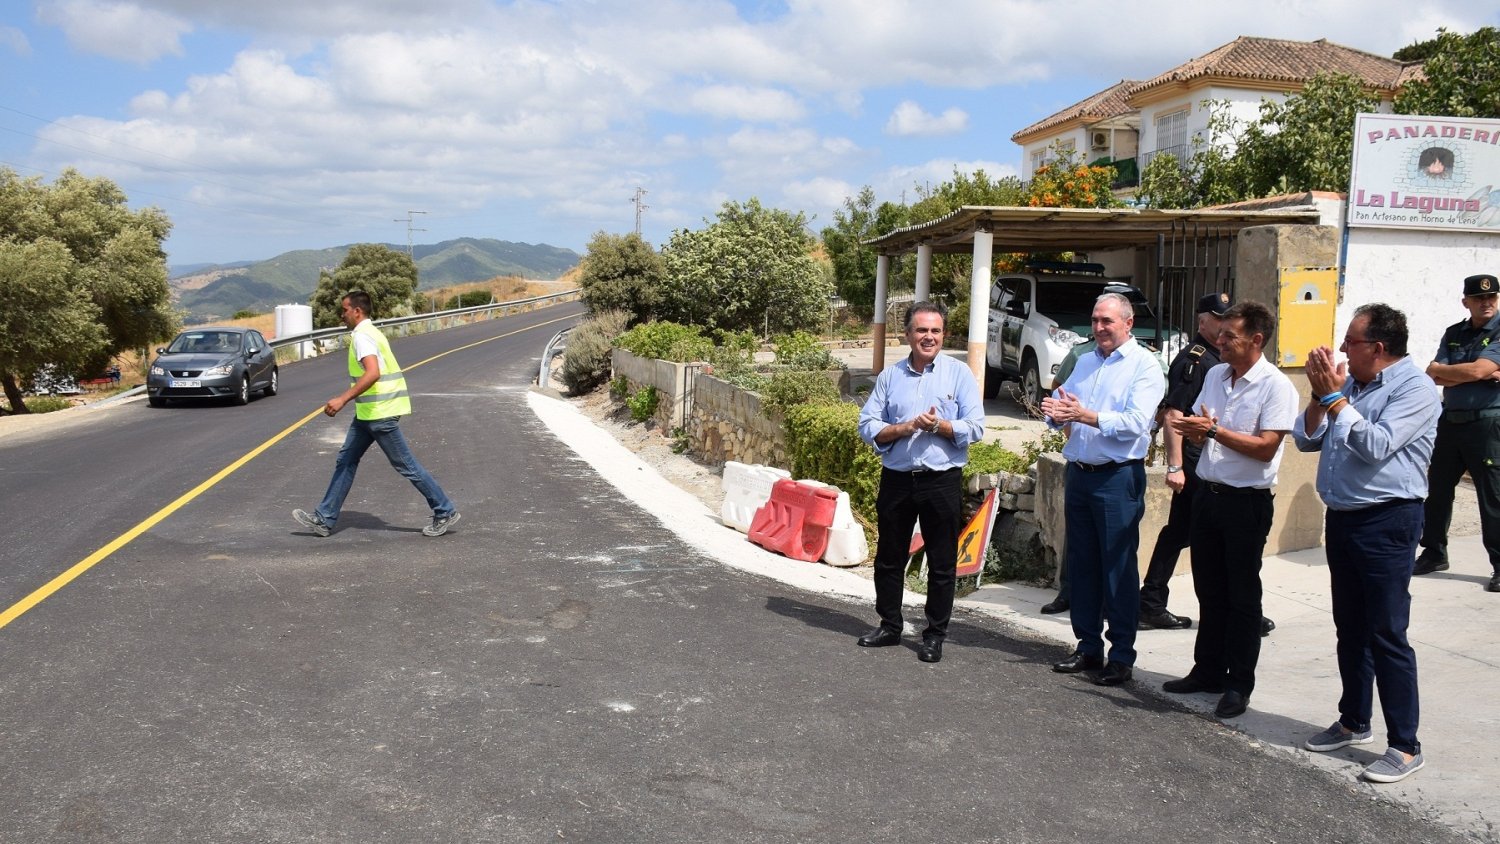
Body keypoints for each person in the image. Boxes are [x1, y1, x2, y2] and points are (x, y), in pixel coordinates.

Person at [1293, 303, 1439, 784]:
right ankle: (1354, 720)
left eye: (1351, 343)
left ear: (1378, 349)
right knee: (1350, 626)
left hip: (1388, 521)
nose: (1341, 351)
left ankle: (1406, 744)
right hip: (1345, 518)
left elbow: (1376, 444)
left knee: (1386, 632)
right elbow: (1306, 439)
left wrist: (1335, 398)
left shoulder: (1416, 390)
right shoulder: (1350, 384)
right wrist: (1321, 396)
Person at [1162, 301, 1298, 719]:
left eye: (1230, 336)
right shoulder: (1218, 374)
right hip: (1208, 494)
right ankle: (1207, 670)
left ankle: (1239, 683)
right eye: (1219, 334)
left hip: (1246, 503)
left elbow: (1266, 449)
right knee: (1209, 589)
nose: (1220, 341)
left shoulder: (1277, 387)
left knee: (1242, 597)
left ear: (1256, 340)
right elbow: (1203, 427)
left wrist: (1214, 431)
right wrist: (1193, 433)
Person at [1042, 293, 1165, 686]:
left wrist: (1085, 415)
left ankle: (1122, 655)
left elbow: (1135, 423)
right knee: (1083, 564)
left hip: (1117, 477)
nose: (1098, 328)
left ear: (1128, 323)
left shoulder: (1145, 366)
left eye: (1107, 321)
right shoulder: (1086, 360)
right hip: (1079, 472)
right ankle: (1088, 646)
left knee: (1117, 568)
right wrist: (1056, 413)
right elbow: (1064, 407)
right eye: (1095, 320)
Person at [856, 302, 985, 663]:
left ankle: (934, 635)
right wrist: (905, 427)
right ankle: (889, 625)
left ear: (943, 335)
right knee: (889, 557)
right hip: (897, 478)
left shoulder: (959, 375)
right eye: (922, 330)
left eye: (936, 331)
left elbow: (975, 427)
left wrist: (939, 426)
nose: (929, 337)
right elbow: (867, 425)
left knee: (943, 562)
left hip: (941, 480)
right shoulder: (889, 376)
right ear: (908, 335)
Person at [293, 290, 461, 538]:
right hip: (368, 414)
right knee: (346, 460)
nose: (342, 315)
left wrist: (342, 399)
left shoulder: (362, 336)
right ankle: (324, 518)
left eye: (345, 310)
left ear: (357, 311)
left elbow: (373, 373)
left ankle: (444, 510)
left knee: (406, 465)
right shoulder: (370, 332)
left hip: (380, 414)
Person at [1139, 291, 1229, 631]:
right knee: (1212, 531)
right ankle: (1233, 606)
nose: (1223, 326)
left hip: (1209, 454)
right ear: (1203, 321)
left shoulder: (1220, 358)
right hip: (1195, 458)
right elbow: (1175, 413)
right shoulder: (1195, 360)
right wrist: (1175, 466)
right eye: (1218, 320)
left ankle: (1150, 600)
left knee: (1180, 531)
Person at [1415, 273, 1500, 593]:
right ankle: (1434, 553)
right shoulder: (1455, 332)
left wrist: (1467, 372)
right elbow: (1432, 373)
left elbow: (1476, 369)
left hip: (1487, 423)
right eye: (1479, 299)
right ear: (1467, 302)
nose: (1486, 303)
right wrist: (1479, 373)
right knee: (1436, 490)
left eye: (1491, 297)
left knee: (1492, 497)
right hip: (1450, 421)